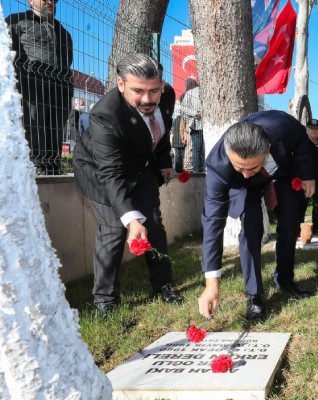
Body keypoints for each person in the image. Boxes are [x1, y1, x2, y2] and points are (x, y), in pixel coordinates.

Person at [73, 53, 183, 316]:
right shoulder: (105, 116)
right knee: (114, 228)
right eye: (138, 91)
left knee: (153, 222)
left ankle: (163, 284)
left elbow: (160, 131)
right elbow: (111, 173)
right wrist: (131, 219)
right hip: (100, 171)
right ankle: (105, 300)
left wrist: (164, 160)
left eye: (153, 90)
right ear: (121, 84)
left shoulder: (165, 96)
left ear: (161, 85)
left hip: (141, 165)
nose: (147, 99)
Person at [198, 111, 316, 321]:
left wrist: (307, 175)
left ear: (268, 148)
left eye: (251, 167)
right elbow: (212, 225)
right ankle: (254, 295)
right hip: (244, 189)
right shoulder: (219, 169)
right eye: (239, 166)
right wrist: (212, 284)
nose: (245, 172)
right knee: (251, 229)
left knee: (290, 223)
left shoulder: (281, 125)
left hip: (282, 174)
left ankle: (285, 279)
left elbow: (302, 141)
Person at [7, 0, 73, 175]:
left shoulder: (64, 33)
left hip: (60, 92)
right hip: (30, 87)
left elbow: (68, 61)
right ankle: (36, 168)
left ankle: (53, 168)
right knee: (33, 127)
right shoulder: (16, 21)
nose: (50, 1)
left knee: (56, 130)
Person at [180, 78, 204, 173]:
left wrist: (193, 114)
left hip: (195, 125)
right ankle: (204, 170)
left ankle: (197, 171)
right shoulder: (207, 91)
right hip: (203, 125)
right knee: (200, 150)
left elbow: (182, 109)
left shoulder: (189, 93)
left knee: (196, 150)